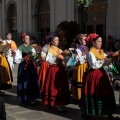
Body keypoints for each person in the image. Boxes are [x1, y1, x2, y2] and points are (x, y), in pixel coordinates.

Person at [80, 33, 117, 119]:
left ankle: (109, 112)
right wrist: (104, 60)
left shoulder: (101, 52)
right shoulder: (90, 53)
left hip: (102, 75)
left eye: (101, 41)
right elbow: (94, 65)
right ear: (93, 43)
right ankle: (87, 112)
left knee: (107, 92)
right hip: (93, 75)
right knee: (93, 93)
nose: (100, 43)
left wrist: (111, 59)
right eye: (98, 42)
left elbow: (105, 63)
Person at [42, 35, 71, 112]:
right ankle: (53, 103)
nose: (57, 41)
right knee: (53, 86)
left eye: (58, 40)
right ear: (52, 41)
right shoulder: (50, 50)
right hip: (53, 69)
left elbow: (64, 59)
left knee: (60, 86)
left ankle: (59, 103)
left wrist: (68, 55)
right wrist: (57, 56)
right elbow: (49, 60)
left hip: (60, 69)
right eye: (55, 40)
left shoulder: (59, 49)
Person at [14, 34, 39, 105]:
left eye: (28, 39)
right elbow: (17, 59)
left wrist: (36, 56)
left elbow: (34, 57)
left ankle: (31, 98)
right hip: (24, 67)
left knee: (31, 81)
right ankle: (25, 97)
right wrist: (24, 58)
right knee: (24, 82)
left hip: (31, 66)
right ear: (23, 40)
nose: (28, 40)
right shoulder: (20, 48)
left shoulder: (32, 48)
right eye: (26, 39)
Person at [71, 34, 89, 101]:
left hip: (86, 67)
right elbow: (78, 60)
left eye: (86, 39)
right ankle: (78, 96)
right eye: (84, 39)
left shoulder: (86, 48)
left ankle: (84, 95)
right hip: (80, 67)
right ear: (79, 40)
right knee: (79, 80)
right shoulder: (77, 49)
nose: (86, 40)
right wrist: (84, 57)